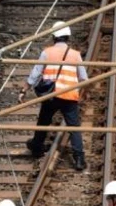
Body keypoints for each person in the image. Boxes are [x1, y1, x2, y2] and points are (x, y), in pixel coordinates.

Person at [18, 21, 88, 171]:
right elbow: (83, 78)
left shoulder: (47, 52)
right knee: (74, 127)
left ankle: (37, 146)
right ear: (68, 37)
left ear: (54, 37)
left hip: (51, 94)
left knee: (43, 121)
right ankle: (79, 159)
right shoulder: (75, 55)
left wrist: (24, 90)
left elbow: (35, 74)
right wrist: (79, 93)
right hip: (69, 96)